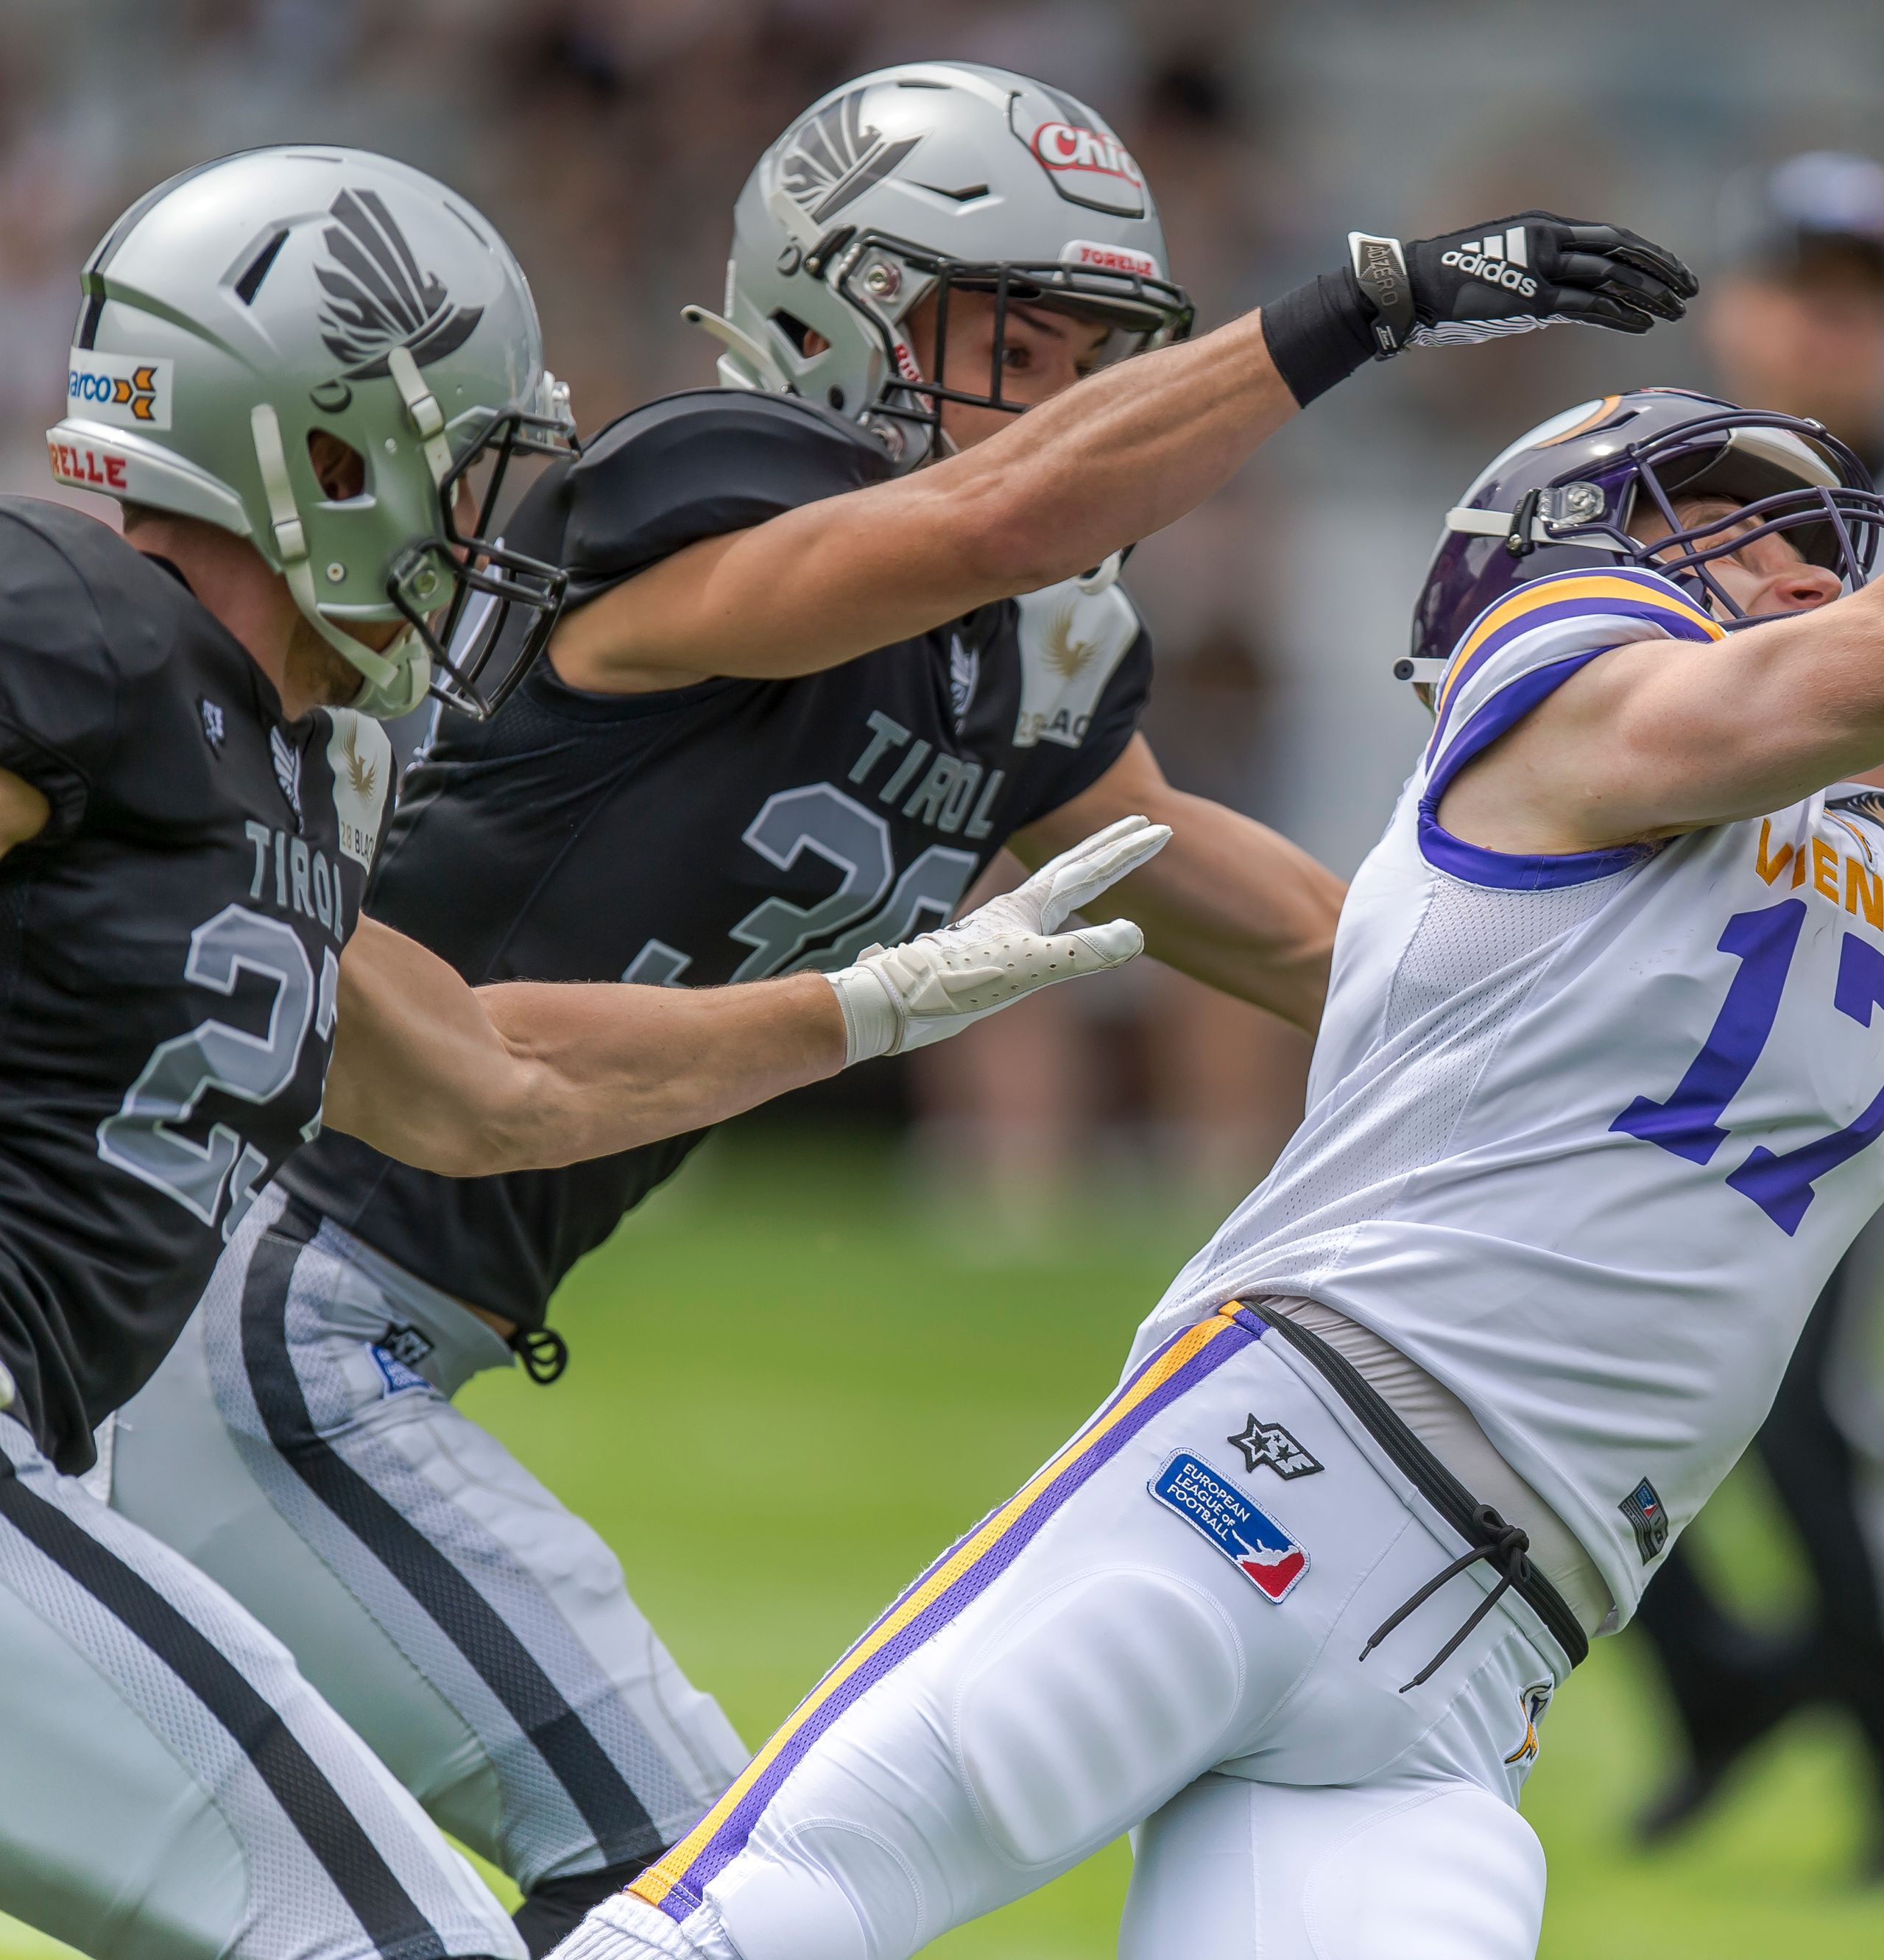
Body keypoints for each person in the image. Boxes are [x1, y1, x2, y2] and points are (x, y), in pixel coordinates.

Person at [557, 96, 1884, 1960]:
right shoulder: (1553, 711)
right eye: (1726, 501)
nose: (1798, 538)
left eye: (1815, 512)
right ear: (1545, 568)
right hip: (1267, 1469)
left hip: (1487, 1650)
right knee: (754, 1924)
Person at [98, 60, 1697, 1955]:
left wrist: (1650, 1025)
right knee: (691, 1870)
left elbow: (1263, 915)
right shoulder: (711, 507)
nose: (1064, 394)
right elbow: (977, 527)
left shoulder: (1007, 668)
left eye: (1095, 349)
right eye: (1012, 336)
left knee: (573, 1880)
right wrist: (1366, 302)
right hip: (264, 1279)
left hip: (361, 1311)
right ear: (832, 311)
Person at [0, 145, 1177, 1960]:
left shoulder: (268, 762)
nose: (484, 528)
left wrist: (874, 1003)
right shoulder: (75, 625)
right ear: (327, 449)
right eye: (465, 467)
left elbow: (486, 1082)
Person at [1634, 147, 1884, 1878]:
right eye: (1798, 287)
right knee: (1616, 1362)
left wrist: (1757, 711)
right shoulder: (1659, 494)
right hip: (1675, 1000)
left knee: (1828, 1409)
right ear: (1736, 303)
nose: (1821, 328)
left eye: (1859, 299)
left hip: (1857, 1006)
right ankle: (1733, 1676)